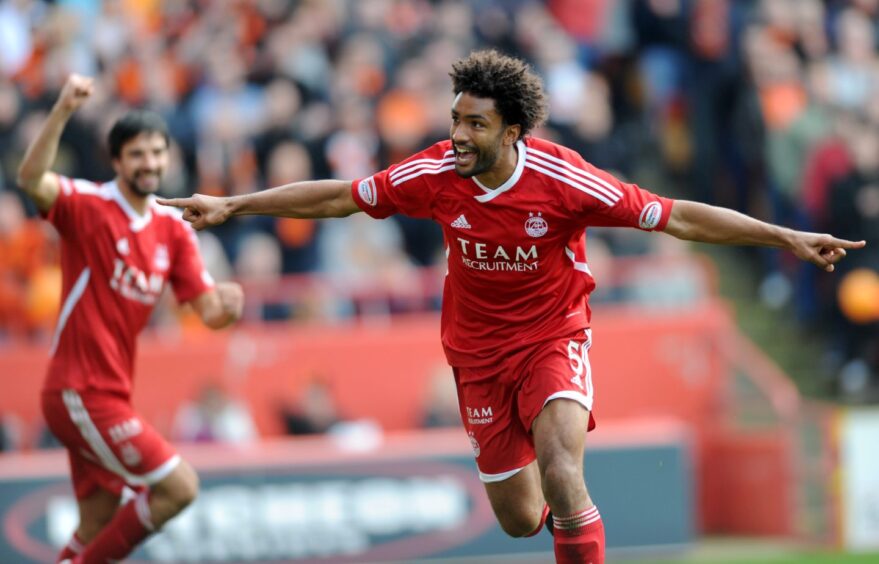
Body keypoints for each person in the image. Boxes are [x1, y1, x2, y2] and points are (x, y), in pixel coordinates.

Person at [160, 50, 865, 564]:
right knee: (520, 517)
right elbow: (339, 196)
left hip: (553, 336)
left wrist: (781, 235)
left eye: (474, 123)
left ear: (512, 133)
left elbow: (676, 216)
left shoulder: (565, 181)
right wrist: (234, 204)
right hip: (474, 357)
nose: (458, 134)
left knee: (562, 469)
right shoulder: (433, 173)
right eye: (454, 119)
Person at [15, 74, 244, 564]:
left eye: (158, 152)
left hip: (111, 390)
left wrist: (228, 307)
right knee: (179, 488)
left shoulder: (173, 229)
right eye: (138, 154)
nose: (150, 163)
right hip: (79, 388)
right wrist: (62, 109)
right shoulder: (90, 205)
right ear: (117, 160)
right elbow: (30, 180)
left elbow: (207, 311)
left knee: (98, 520)